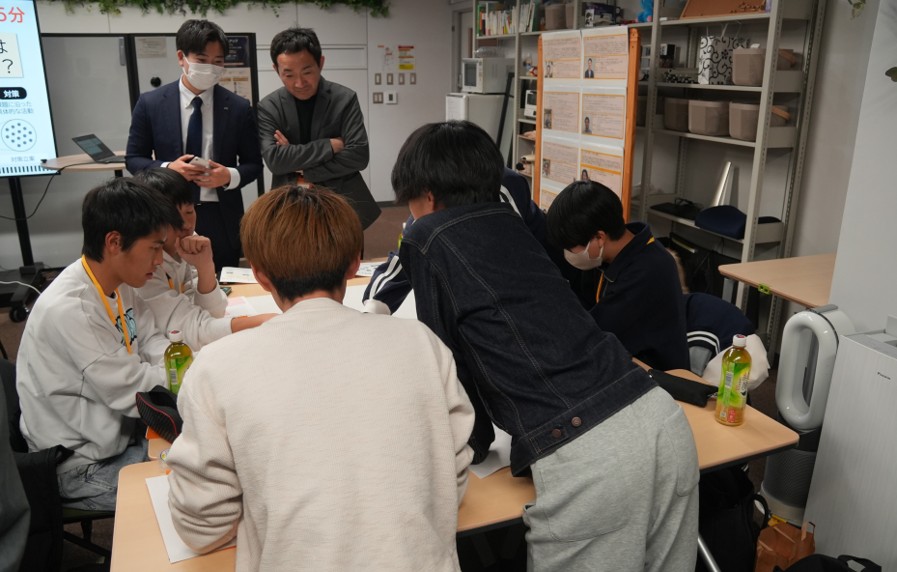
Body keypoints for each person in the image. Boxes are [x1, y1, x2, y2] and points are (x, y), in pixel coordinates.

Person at [393, 120, 698, 570]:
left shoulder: (427, 236)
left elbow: (449, 367)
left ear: (428, 196)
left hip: (592, 456)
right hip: (661, 419)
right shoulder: (513, 225)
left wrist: (473, 447)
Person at [165, 185, 474, 570]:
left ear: (259, 274)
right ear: (355, 263)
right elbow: (452, 480)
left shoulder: (216, 366)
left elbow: (200, 528)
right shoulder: (422, 343)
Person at [16, 178, 181, 511]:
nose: (160, 260)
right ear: (114, 242)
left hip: (119, 434)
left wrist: (180, 364)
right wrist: (198, 370)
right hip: (80, 465)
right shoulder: (72, 309)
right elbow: (135, 391)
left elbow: (152, 340)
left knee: (207, 465)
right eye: (154, 248)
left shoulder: (119, 282)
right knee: (194, 491)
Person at [126, 19, 263, 272]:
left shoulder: (238, 107)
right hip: (167, 212)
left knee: (222, 281)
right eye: (202, 59)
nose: (210, 67)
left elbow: (254, 164)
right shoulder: (151, 103)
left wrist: (228, 176)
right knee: (166, 279)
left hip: (221, 214)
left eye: (218, 61)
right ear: (182, 57)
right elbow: (134, 159)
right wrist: (169, 169)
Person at [546, 181, 689, 370]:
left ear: (599, 238)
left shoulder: (648, 270)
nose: (568, 253)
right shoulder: (607, 256)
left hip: (655, 375)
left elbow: (592, 334)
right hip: (620, 359)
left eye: (570, 247)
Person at [134, 168, 275, 350]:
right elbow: (187, 330)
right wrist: (259, 322)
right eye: (173, 218)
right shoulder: (144, 264)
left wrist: (206, 266)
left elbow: (213, 313)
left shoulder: (187, 240)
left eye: (189, 211)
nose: (186, 225)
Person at [257, 27, 381, 229]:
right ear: (276, 70)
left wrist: (300, 167)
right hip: (290, 204)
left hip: (341, 201)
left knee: (345, 250)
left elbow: (359, 155)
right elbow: (276, 161)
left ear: (321, 63)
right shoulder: (269, 106)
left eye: (307, 72)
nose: (299, 83)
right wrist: (330, 146)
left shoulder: (344, 99)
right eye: (289, 75)